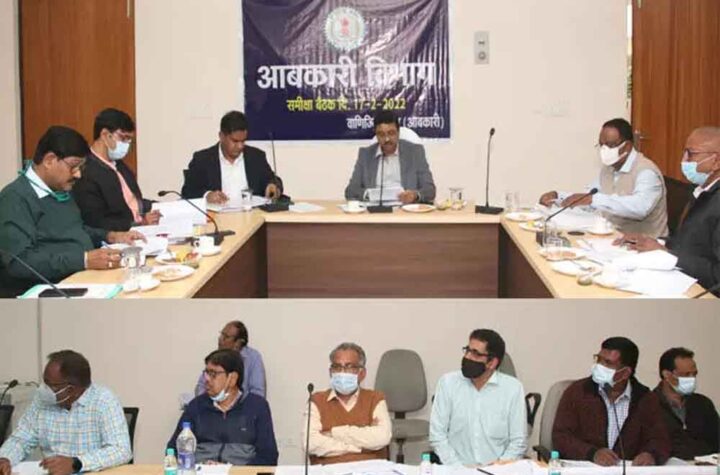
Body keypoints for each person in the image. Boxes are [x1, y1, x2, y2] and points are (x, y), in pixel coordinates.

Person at [0, 126, 145, 297]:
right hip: (48, 291)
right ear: (49, 160)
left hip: (81, 278)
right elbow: (19, 262)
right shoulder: (15, 198)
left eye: (81, 168)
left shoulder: (60, 189)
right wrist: (84, 260)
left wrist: (111, 236)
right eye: (74, 166)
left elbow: (75, 230)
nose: (78, 175)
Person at [614, 127, 720, 294]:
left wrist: (669, 254)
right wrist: (654, 242)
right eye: (685, 152)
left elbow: (716, 274)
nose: (684, 160)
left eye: (691, 154)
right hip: (682, 278)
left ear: (717, 161)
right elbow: (688, 242)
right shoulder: (701, 191)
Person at [0, 350, 131, 475]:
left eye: (50, 384)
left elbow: (121, 450)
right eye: (44, 382)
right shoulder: (41, 401)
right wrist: (5, 458)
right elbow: (21, 440)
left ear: (70, 389)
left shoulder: (104, 400)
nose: (43, 389)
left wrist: (76, 463)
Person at [539, 118, 668, 237]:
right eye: (601, 145)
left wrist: (592, 199)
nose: (604, 150)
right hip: (614, 236)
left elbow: (640, 207)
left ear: (627, 147)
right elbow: (588, 197)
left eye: (610, 145)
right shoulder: (610, 167)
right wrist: (558, 197)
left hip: (646, 244)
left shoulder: (646, 172)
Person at [553, 337, 670, 466]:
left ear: (625, 373)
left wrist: (651, 454)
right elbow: (561, 436)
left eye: (607, 363)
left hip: (629, 469)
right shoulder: (578, 392)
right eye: (598, 359)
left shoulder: (645, 399)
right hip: (586, 468)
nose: (599, 366)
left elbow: (660, 440)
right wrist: (592, 453)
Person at [429, 329, 527, 466]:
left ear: (492, 363)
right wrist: (458, 469)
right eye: (467, 350)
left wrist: (497, 468)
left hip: (497, 469)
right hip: (456, 468)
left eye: (475, 353)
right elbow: (437, 436)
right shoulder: (448, 383)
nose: (468, 357)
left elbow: (518, 441)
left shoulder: (513, 389)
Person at [168, 349, 278, 465]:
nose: (207, 379)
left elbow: (268, 457)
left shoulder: (256, 407)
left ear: (232, 378)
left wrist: (233, 471)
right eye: (206, 373)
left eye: (213, 374)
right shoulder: (196, 406)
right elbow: (173, 449)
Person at [72, 108, 160, 231]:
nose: (127, 144)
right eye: (123, 138)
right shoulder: (86, 171)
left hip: (142, 227)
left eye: (129, 140)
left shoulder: (119, 165)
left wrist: (161, 207)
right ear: (105, 135)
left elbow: (132, 201)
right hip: (120, 235)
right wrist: (138, 223)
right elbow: (96, 221)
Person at [304, 342, 391, 465]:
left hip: (370, 469)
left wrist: (334, 433)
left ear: (362, 373)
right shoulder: (317, 400)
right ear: (330, 372)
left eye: (349, 367)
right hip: (328, 470)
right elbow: (310, 443)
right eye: (337, 367)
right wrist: (359, 447)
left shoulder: (375, 398)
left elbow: (382, 437)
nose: (342, 372)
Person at [181, 111, 282, 204]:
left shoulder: (256, 157)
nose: (240, 146)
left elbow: (273, 180)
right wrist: (207, 196)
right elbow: (188, 191)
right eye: (235, 141)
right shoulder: (202, 159)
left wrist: (272, 186)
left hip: (252, 215)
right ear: (221, 136)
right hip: (217, 217)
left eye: (243, 141)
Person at [345, 110, 436, 204]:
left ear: (398, 132)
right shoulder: (365, 155)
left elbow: (430, 190)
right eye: (381, 134)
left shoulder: (415, 152)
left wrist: (415, 195)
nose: (387, 139)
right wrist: (370, 195)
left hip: (405, 209)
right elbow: (350, 190)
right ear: (376, 134)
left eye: (391, 133)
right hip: (375, 209)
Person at [655, 347, 719, 459]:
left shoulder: (703, 404)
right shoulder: (649, 404)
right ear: (666, 374)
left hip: (704, 465)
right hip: (667, 465)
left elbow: (716, 440)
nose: (692, 378)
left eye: (694, 374)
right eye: (686, 374)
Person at [194, 321, 266, 398]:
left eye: (226, 337)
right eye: (221, 334)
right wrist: (206, 402)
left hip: (243, 404)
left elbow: (258, 393)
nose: (220, 339)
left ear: (238, 342)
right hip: (213, 404)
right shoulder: (216, 357)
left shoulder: (253, 358)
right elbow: (201, 386)